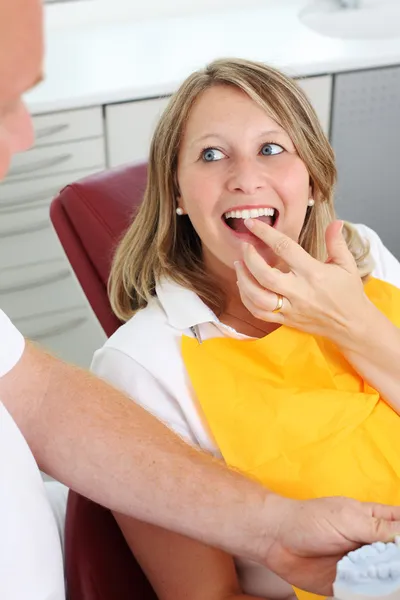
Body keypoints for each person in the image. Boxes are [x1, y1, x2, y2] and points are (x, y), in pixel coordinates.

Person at [2, 2, 400, 599]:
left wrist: (357, 327)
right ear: (178, 194)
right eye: (212, 155)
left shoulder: (362, 255)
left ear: (312, 181)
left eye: (272, 148)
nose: (245, 176)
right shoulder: (142, 365)